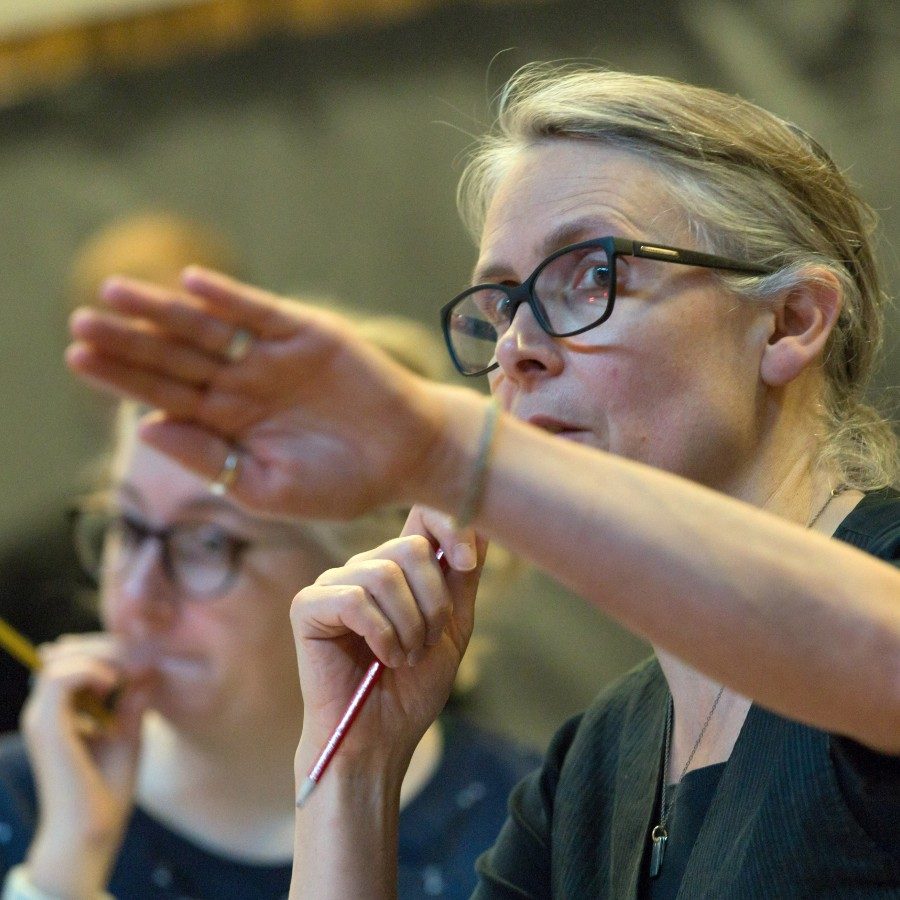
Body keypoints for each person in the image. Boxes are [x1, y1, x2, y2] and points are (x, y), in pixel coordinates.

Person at [63, 65, 899, 897]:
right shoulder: (595, 764)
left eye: (593, 278)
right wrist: (351, 768)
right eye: (501, 304)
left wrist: (451, 449)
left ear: (791, 322)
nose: (514, 349)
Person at [0, 317, 540, 899]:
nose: (135, 597)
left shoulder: (529, 827)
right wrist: (61, 875)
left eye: (208, 544)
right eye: (128, 529)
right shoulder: (25, 802)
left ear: (369, 572)